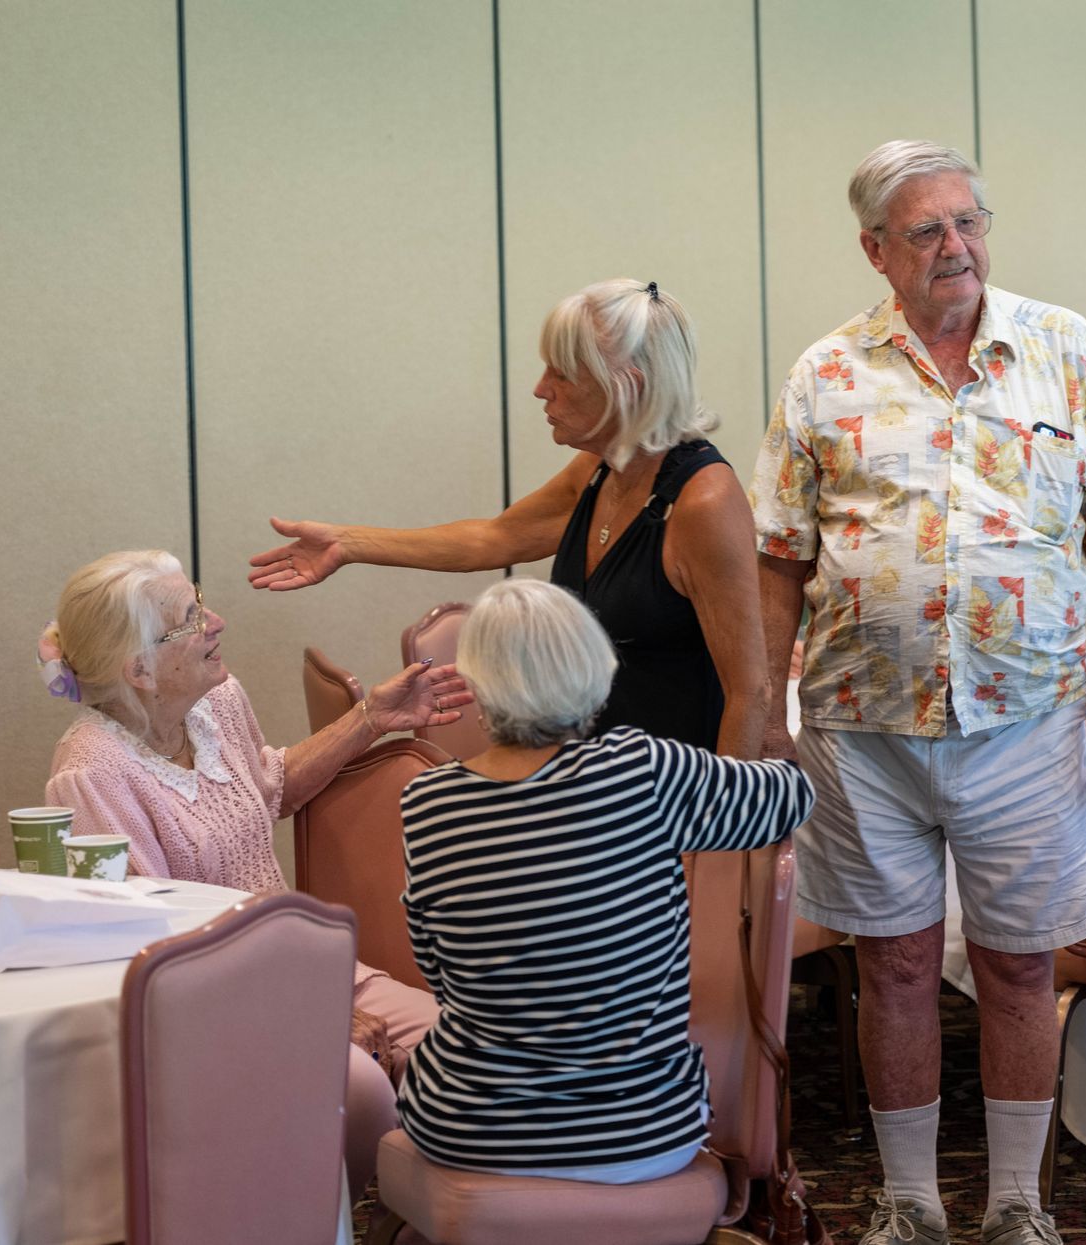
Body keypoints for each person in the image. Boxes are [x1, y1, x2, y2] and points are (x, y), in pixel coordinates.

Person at [752, 139, 1086, 1245]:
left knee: (1019, 964)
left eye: (969, 222)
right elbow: (778, 556)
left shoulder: (1065, 350)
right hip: (861, 730)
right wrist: (761, 711)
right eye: (928, 230)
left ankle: (1020, 1205)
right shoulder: (824, 374)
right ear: (876, 251)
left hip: (1028, 720)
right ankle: (908, 1203)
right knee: (891, 964)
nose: (956, 247)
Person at [40, 549, 472, 1195]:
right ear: (141, 669)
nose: (215, 621)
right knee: (356, 1085)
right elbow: (148, 947)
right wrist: (307, 1007)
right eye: (190, 619)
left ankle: (421, 1214)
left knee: (465, 1045)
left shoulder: (217, 703)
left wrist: (371, 719)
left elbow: (271, 788)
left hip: (307, 966)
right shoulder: (93, 770)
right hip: (211, 1004)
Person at [394, 578, 813, 1182]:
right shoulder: (639, 770)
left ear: (478, 681)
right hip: (636, 1131)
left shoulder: (426, 802)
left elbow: (435, 969)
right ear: (594, 667)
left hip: (469, 1127)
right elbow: (791, 797)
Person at [246, 279, 767, 757]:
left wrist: (721, 845)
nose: (541, 389)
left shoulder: (703, 502)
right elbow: (494, 538)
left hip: (672, 801)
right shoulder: (602, 467)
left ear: (627, 386)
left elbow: (750, 692)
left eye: (561, 373)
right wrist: (347, 543)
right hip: (593, 786)